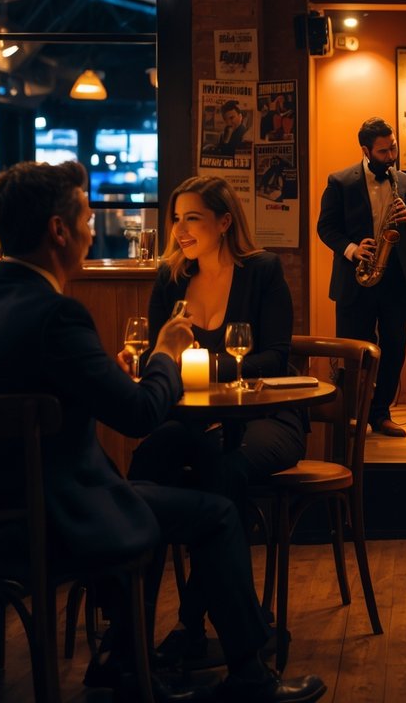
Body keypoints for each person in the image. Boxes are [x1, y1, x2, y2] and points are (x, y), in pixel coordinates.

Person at [0, 161, 325, 703]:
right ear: (59, 231)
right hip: (60, 517)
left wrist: (130, 372)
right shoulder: (58, 315)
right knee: (211, 511)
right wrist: (167, 353)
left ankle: (128, 660)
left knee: (163, 472)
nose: (90, 231)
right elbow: (142, 413)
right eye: (84, 219)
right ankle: (247, 677)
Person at [126, 175, 307, 664]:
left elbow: (274, 357)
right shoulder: (171, 277)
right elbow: (156, 359)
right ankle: (129, 640)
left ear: (224, 222)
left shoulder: (263, 270)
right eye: (177, 218)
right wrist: (147, 365)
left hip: (267, 416)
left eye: (193, 218)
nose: (181, 229)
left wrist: (200, 366)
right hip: (194, 419)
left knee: (222, 467)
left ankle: (191, 623)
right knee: (148, 458)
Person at [317, 116, 406, 437]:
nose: (391, 156)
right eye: (383, 152)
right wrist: (352, 249)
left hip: (395, 281)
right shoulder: (340, 182)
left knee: (395, 347)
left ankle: (381, 413)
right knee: (356, 351)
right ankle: (354, 414)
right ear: (365, 150)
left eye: (393, 148)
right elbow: (326, 228)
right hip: (356, 279)